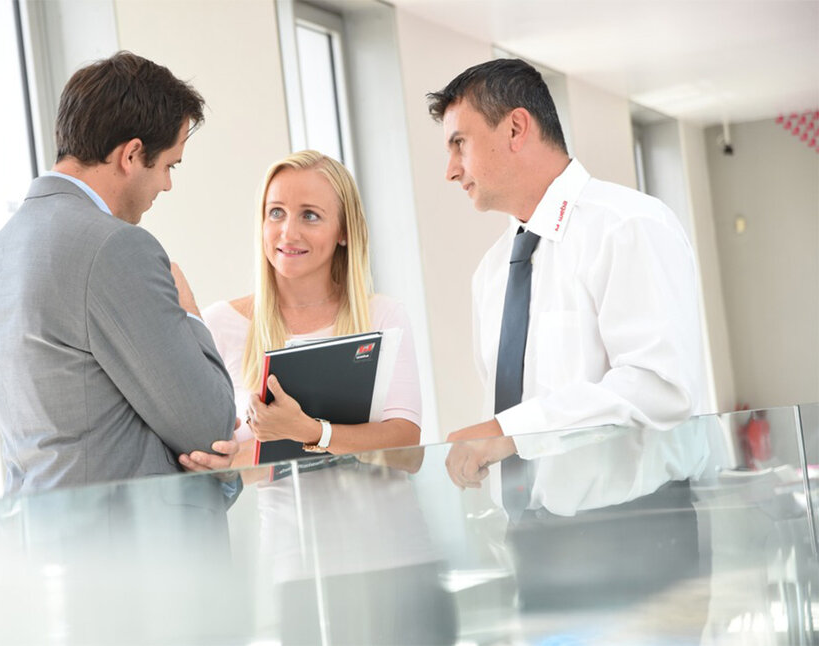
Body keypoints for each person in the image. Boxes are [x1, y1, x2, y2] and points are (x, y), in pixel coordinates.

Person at [427, 59, 710, 611]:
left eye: (459, 143)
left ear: (515, 128)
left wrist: (510, 431)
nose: (451, 169)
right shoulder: (491, 272)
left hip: (637, 537)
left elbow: (660, 386)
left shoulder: (629, 225)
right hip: (535, 546)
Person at [0, 51, 237, 494]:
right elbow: (210, 426)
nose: (168, 185)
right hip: (132, 550)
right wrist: (189, 313)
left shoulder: (2, 250)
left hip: (48, 539)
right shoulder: (115, 247)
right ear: (132, 155)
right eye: (169, 165)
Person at [186, 149, 422, 472]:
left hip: (381, 520)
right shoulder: (219, 325)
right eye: (276, 213)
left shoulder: (382, 317)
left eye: (309, 215)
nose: (288, 232)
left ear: (343, 232)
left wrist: (309, 431)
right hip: (276, 522)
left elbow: (408, 451)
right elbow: (211, 464)